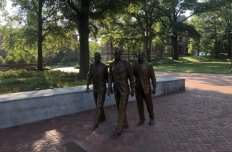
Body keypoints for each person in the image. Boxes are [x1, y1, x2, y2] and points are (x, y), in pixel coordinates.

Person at [108, 48, 135, 139]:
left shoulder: (126, 64)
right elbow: (110, 77)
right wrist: (109, 87)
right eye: (115, 53)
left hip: (124, 90)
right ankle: (125, 124)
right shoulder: (111, 65)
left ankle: (118, 130)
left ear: (121, 54)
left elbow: (131, 76)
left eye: (118, 53)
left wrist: (132, 88)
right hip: (116, 89)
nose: (117, 55)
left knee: (122, 109)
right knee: (120, 110)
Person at [132, 51, 156, 126]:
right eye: (138, 56)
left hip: (146, 88)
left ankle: (151, 118)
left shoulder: (149, 65)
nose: (140, 57)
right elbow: (132, 76)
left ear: (144, 56)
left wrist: (154, 87)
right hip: (138, 88)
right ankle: (141, 119)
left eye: (141, 55)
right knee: (139, 105)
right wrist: (132, 87)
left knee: (149, 105)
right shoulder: (134, 65)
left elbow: (153, 77)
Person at [86, 52, 108, 131]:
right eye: (95, 57)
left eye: (98, 57)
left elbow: (107, 78)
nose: (96, 58)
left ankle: (96, 123)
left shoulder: (104, 67)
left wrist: (109, 88)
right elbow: (89, 76)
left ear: (100, 57)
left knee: (99, 105)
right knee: (97, 104)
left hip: (102, 88)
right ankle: (103, 117)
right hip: (95, 88)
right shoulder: (91, 66)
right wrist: (87, 85)